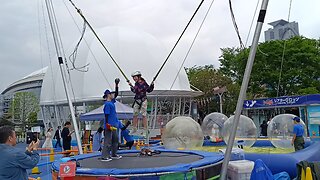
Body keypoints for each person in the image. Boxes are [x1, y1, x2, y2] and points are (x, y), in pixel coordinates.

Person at [101, 78, 122, 162]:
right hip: (109, 124)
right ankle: (105, 155)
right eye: (110, 94)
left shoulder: (112, 102)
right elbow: (106, 114)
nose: (112, 94)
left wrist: (116, 85)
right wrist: (107, 124)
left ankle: (114, 153)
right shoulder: (107, 104)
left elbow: (116, 94)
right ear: (108, 95)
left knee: (115, 140)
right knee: (108, 140)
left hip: (115, 124)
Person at [128, 71, 154, 135]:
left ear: (139, 77)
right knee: (135, 114)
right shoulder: (136, 84)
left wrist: (152, 85)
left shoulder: (143, 83)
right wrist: (131, 86)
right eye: (133, 77)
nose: (134, 79)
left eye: (135, 77)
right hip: (137, 100)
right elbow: (135, 91)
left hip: (143, 100)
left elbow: (148, 90)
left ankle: (145, 129)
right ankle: (134, 128)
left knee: (143, 115)